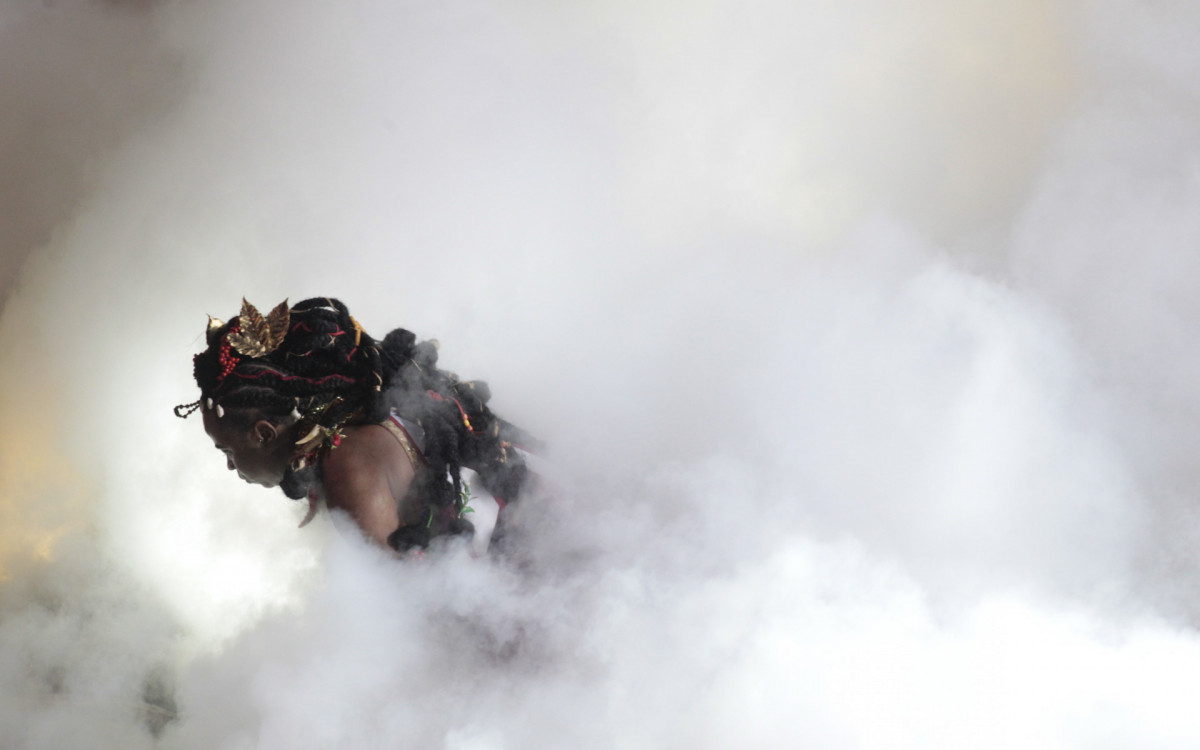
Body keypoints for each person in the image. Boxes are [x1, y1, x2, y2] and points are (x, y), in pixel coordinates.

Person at [174, 297, 531, 553]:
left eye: (228, 451)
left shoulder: (347, 468)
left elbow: (422, 615)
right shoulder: (363, 417)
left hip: (546, 563)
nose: (230, 465)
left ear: (264, 433)